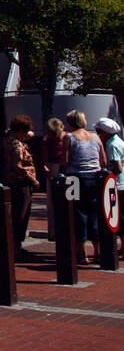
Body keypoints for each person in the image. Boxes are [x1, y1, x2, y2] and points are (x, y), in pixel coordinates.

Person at [63, 110, 108, 264]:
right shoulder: (95, 137)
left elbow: (65, 160)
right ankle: (98, 250)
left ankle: (81, 252)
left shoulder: (69, 137)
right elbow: (103, 160)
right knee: (94, 212)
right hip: (94, 177)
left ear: (70, 123)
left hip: (75, 178)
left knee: (77, 212)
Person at [1, 115, 40, 259]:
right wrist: (32, 180)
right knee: (21, 215)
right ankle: (16, 246)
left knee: (17, 214)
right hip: (21, 183)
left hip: (13, 181)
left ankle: (15, 245)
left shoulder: (8, 140)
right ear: (21, 130)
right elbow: (18, 166)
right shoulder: (16, 145)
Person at [96, 118, 123, 254]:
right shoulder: (119, 141)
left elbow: (118, 167)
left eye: (99, 131)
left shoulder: (112, 145)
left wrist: (108, 175)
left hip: (119, 185)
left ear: (105, 132)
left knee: (120, 216)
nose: (98, 135)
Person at [44, 118, 66, 241]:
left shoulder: (67, 138)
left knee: (72, 199)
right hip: (54, 168)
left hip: (65, 169)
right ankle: (54, 232)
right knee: (52, 202)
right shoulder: (47, 140)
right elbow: (45, 160)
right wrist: (49, 174)